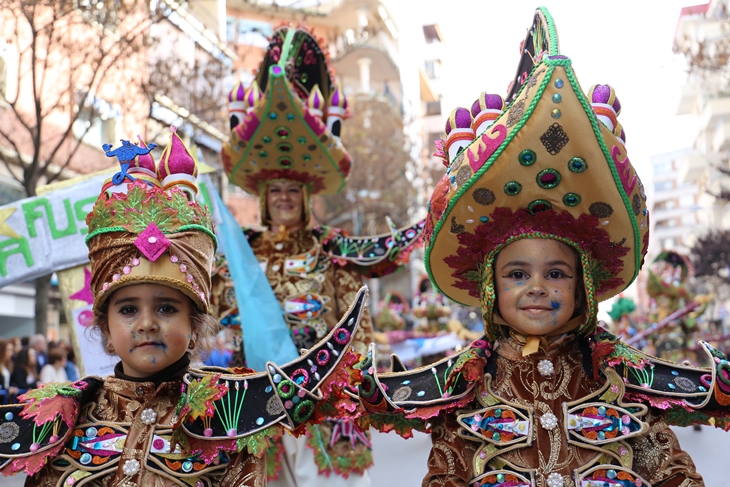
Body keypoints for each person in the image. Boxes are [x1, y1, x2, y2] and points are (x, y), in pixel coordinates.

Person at [354, 8, 728, 486]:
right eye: (516, 274)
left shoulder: (618, 379)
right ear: (490, 286)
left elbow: (674, 472)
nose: (536, 287)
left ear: (583, 286)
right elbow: (445, 476)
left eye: (556, 273)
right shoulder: (468, 387)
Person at [0, 127, 366, 486]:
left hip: (302, 398)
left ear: (196, 324)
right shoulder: (60, 420)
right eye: (127, 309)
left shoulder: (229, 413)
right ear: (105, 327)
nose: (146, 323)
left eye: (166, 309)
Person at [221, 25, 423, 487]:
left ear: (307, 195)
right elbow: (217, 315)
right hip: (255, 396)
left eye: (294, 190)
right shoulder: (241, 254)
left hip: (324, 396)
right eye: (278, 191)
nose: (286, 198)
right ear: (265, 196)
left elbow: (357, 322)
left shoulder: (331, 250)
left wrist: (352, 385)